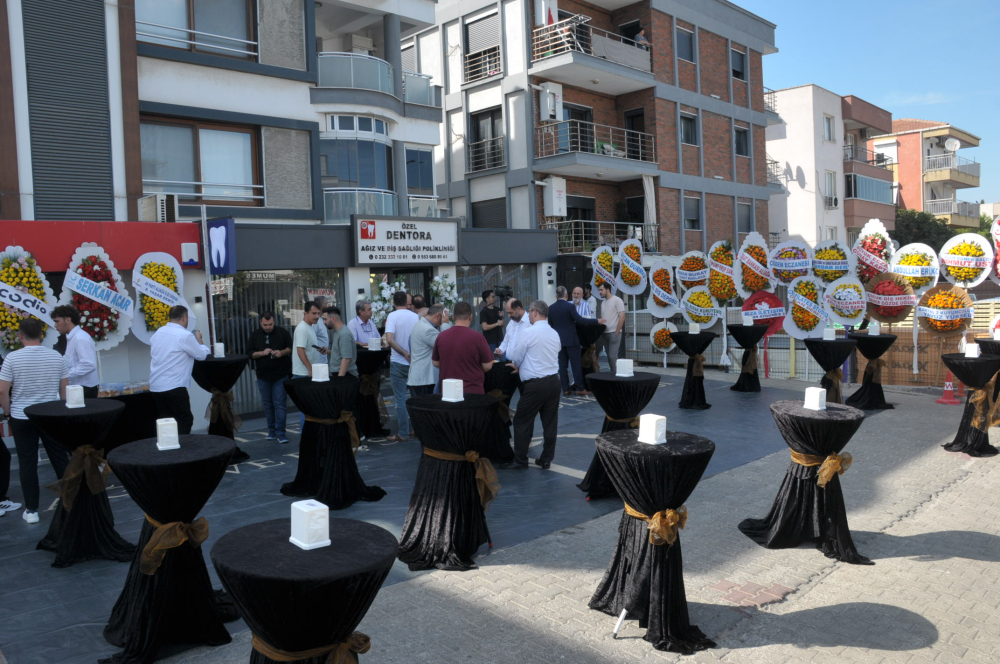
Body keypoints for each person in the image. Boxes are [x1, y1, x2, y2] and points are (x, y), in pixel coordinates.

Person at [0, 318, 66, 523]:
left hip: (22, 415)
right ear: (41, 334)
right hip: (51, 414)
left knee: (27, 463)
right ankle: (72, 501)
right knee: (60, 459)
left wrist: (8, 412)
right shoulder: (56, 356)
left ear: (20, 335)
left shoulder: (12, 358)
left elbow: (2, 390)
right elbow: (65, 388)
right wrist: (62, 409)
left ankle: (32, 511)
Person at [498, 300, 561, 470]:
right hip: (554, 381)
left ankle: (520, 460)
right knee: (550, 422)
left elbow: (517, 356)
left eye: (530, 311)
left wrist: (519, 366)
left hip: (535, 385)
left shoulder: (529, 332)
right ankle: (546, 459)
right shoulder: (554, 333)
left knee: (521, 420)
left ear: (534, 312)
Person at [149, 305, 209, 436]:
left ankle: (169, 450)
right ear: (184, 317)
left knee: (166, 422)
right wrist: (199, 340)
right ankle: (181, 453)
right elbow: (201, 355)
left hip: (156, 386)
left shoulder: (158, 332)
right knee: (184, 420)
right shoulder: (185, 335)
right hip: (174, 386)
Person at [548, 286, 604, 396]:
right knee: (576, 365)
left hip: (559, 341)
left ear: (556, 296)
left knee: (562, 366)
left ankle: (565, 389)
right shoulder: (570, 306)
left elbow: (550, 325)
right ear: (566, 295)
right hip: (572, 340)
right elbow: (580, 320)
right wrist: (597, 321)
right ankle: (579, 388)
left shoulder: (551, 308)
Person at [246, 312, 293, 443]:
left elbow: (291, 347)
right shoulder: (255, 335)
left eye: (270, 324)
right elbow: (249, 353)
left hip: (281, 374)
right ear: (260, 322)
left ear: (274, 322)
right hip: (262, 375)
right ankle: (272, 432)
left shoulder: (282, 332)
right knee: (267, 405)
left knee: (279, 405)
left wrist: (281, 352)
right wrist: (261, 353)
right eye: (265, 325)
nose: (268, 327)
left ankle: (281, 433)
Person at [433, 301, 494, 394]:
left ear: (453, 317)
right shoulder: (477, 337)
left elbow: (436, 362)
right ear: (471, 317)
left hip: (448, 391)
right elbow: (488, 366)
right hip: (473, 390)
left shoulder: (441, 336)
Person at [385, 290, 419, 442]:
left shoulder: (392, 316)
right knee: (416, 398)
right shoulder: (415, 316)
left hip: (399, 361)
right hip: (414, 362)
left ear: (393, 302)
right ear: (407, 302)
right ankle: (419, 430)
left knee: (400, 399)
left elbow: (390, 339)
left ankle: (403, 433)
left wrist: (404, 353)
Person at [52, 305, 99, 398]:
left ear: (68, 320)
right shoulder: (73, 337)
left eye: (57, 321)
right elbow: (70, 360)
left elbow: (88, 364)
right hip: (79, 387)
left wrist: (66, 375)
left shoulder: (80, 338)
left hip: (85, 388)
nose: (55, 325)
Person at [408, 304, 444, 397]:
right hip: (424, 379)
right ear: (438, 316)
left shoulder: (422, 325)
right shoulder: (427, 329)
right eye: (444, 317)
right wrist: (446, 324)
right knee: (425, 409)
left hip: (421, 378)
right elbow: (446, 345)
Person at [597, 282, 626, 374]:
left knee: (612, 357)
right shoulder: (603, 303)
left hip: (614, 333)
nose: (599, 292)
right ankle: (613, 375)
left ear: (607, 289)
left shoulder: (617, 300)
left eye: (601, 290)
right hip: (604, 333)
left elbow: (622, 317)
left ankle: (617, 375)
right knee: (609, 357)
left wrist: (617, 331)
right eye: (599, 290)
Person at [324, 306, 357, 377]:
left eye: (325, 319)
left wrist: (340, 379)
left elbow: (346, 359)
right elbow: (340, 354)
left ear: (333, 319)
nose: (324, 322)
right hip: (339, 374)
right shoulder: (337, 332)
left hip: (346, 376)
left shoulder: (344, 334)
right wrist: (328, 351)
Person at [479, 289, 504, 354]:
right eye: (492, 297)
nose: (494, 298)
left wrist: (501, 318)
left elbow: (502, 325)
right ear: (487, 299)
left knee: (503, 359)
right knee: (493, 361)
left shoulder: (497, 309)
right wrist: (497, 324)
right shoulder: (483, 312)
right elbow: (484, 327)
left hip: (500, 339)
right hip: (490, 341)